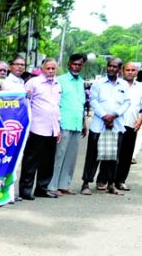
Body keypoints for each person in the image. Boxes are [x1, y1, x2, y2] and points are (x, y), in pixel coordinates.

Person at [81, 58, 130, 195]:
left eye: (115, 67)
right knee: (92, 155)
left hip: (116, 125)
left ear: (119, 69)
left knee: (113, 156)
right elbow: (93, 101)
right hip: (98, 124)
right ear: (107, 67)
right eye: (110, 66)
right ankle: (86, 183)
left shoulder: (124, 85)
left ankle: (111, 184)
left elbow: (126, 102)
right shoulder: (98, 83)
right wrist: (104, 116)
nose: (111, 69)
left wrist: (114, 115)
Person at [19, 59, 62, 200]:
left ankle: (42, 188)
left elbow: (56, 107)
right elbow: (25, 104)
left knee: (48, 162)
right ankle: (25, 190)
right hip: (36, 128)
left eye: (53, 68)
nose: (50, 71)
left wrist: (58, 129)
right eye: (48, 68)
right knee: (31, 161)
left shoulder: (57, 84)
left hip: (51, 129)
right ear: (42, 68)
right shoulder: (33, 83)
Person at [48, 54, 87, 196]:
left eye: (80, 64)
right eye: (74, 64)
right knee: (59, 156)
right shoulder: (60, 81)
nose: (77, 67)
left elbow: (81, 104)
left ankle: (64, 184)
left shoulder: (81, 82)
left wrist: (83, 122)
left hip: (76, 124)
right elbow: (55, 102)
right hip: (63, 123)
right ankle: (52, 186)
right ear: (69, 64)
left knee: (71, 157)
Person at [115, 61, 141, 191]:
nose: (130, 72)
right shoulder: (117, 85)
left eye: (133, 70)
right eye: (128, 70)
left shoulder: (141, 87)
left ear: (136, 72)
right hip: (115, 125)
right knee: (111, 154)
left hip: (132, 124)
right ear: (122, 71)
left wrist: (140, 120)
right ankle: (104, 180)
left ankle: (120, 181)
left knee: (126, 155)